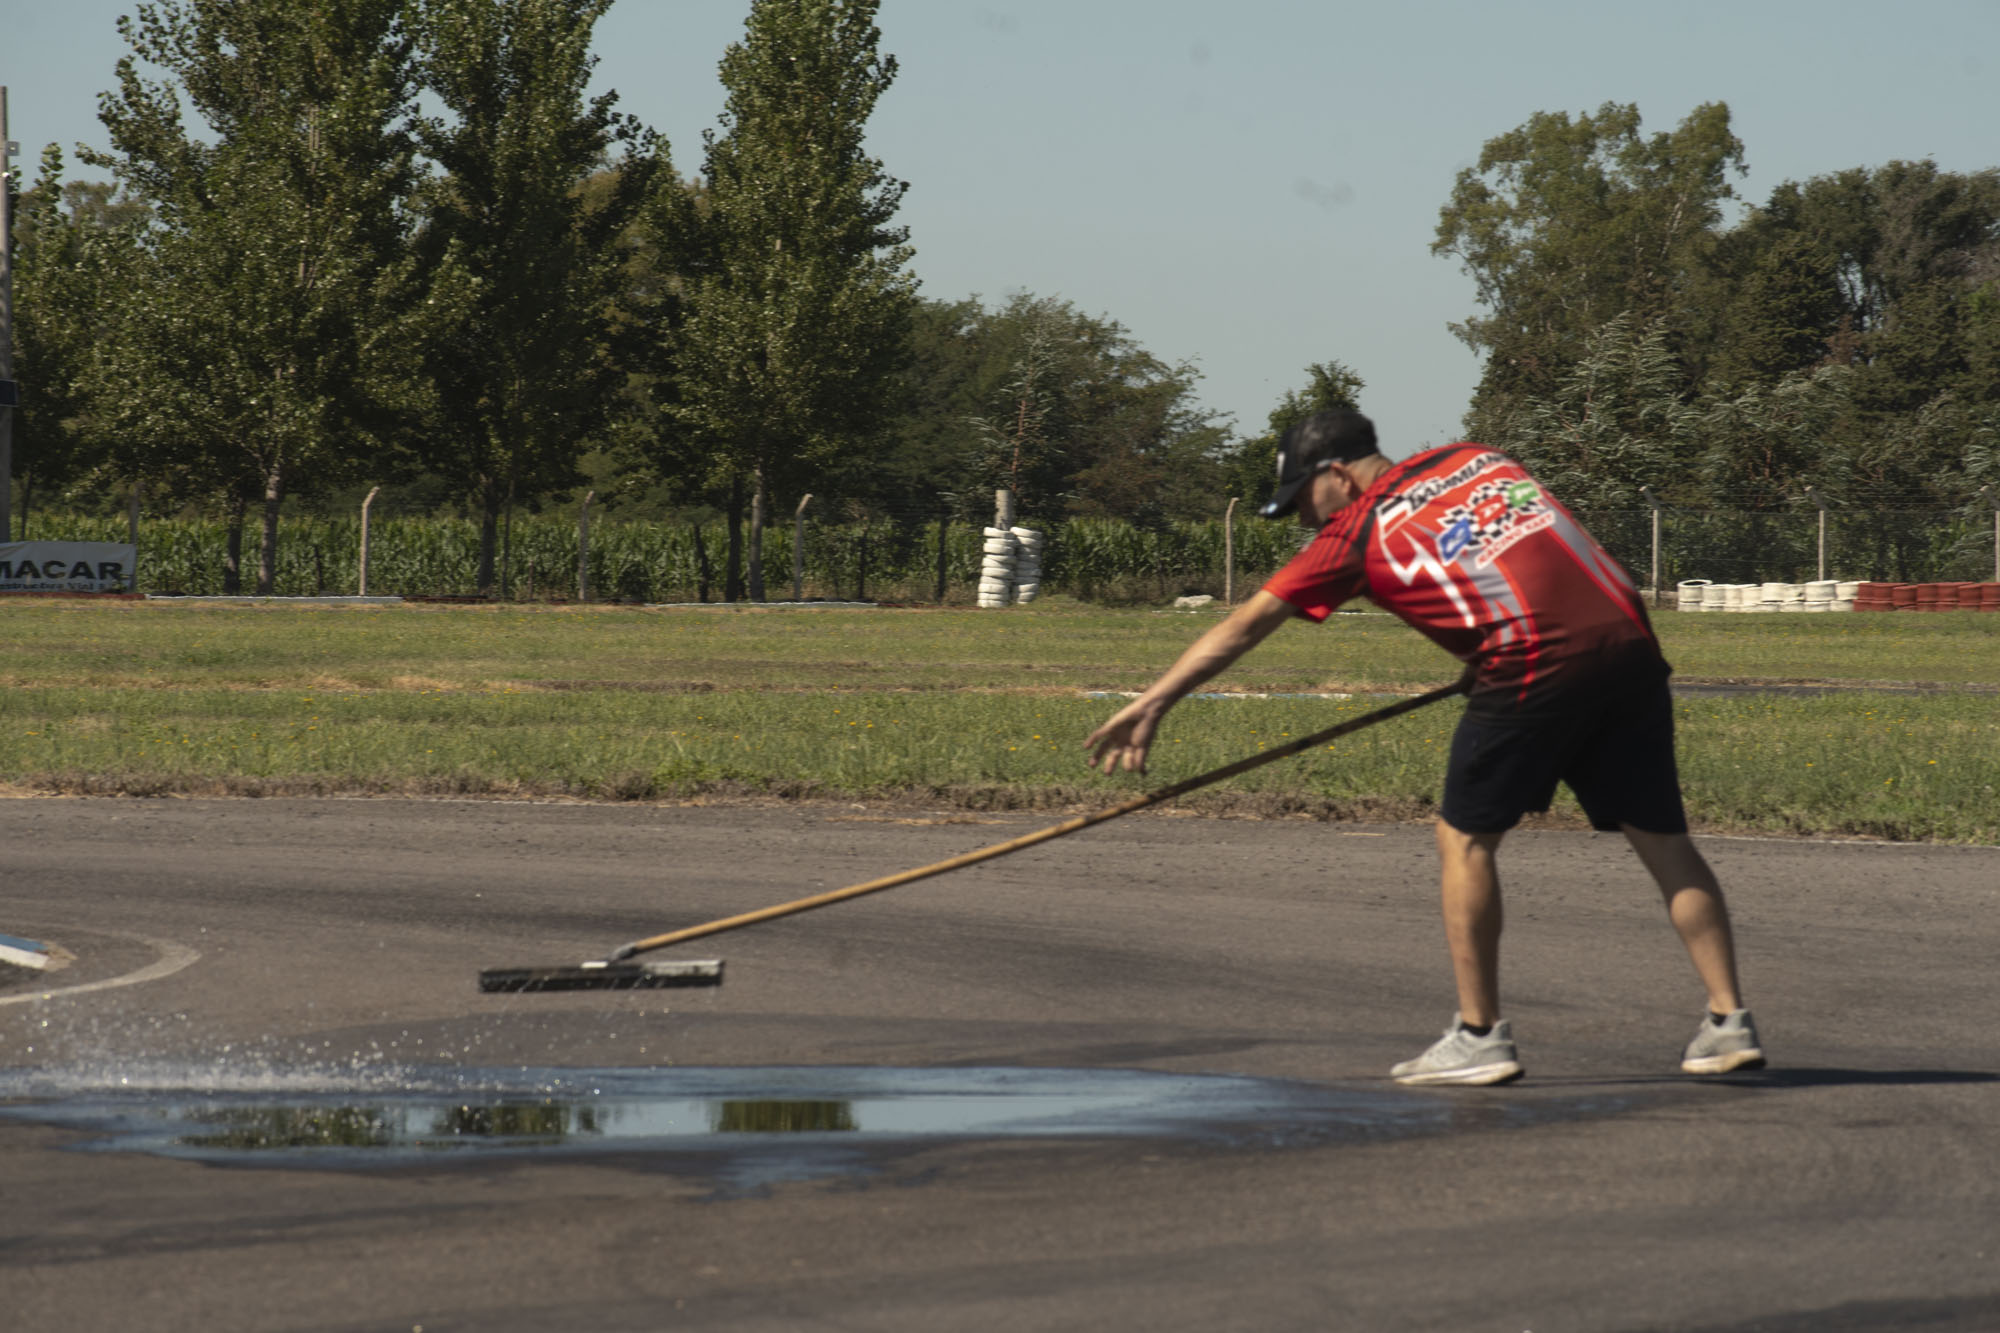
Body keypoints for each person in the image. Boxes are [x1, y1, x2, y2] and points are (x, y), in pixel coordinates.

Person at [1085, 409, 1763, 1086]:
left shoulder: (1355, 532)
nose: (1304, 520)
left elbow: (1246, 624)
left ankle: (1479, 1035)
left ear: (1338, 474)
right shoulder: (1477, 458)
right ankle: (1728, 1021)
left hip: (1531, 660)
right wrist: (1482, 649)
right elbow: (1526, 557)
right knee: (1662, 839)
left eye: (1302, 500)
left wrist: (1153, 701)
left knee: (1463, 840)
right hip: (1628, 645)